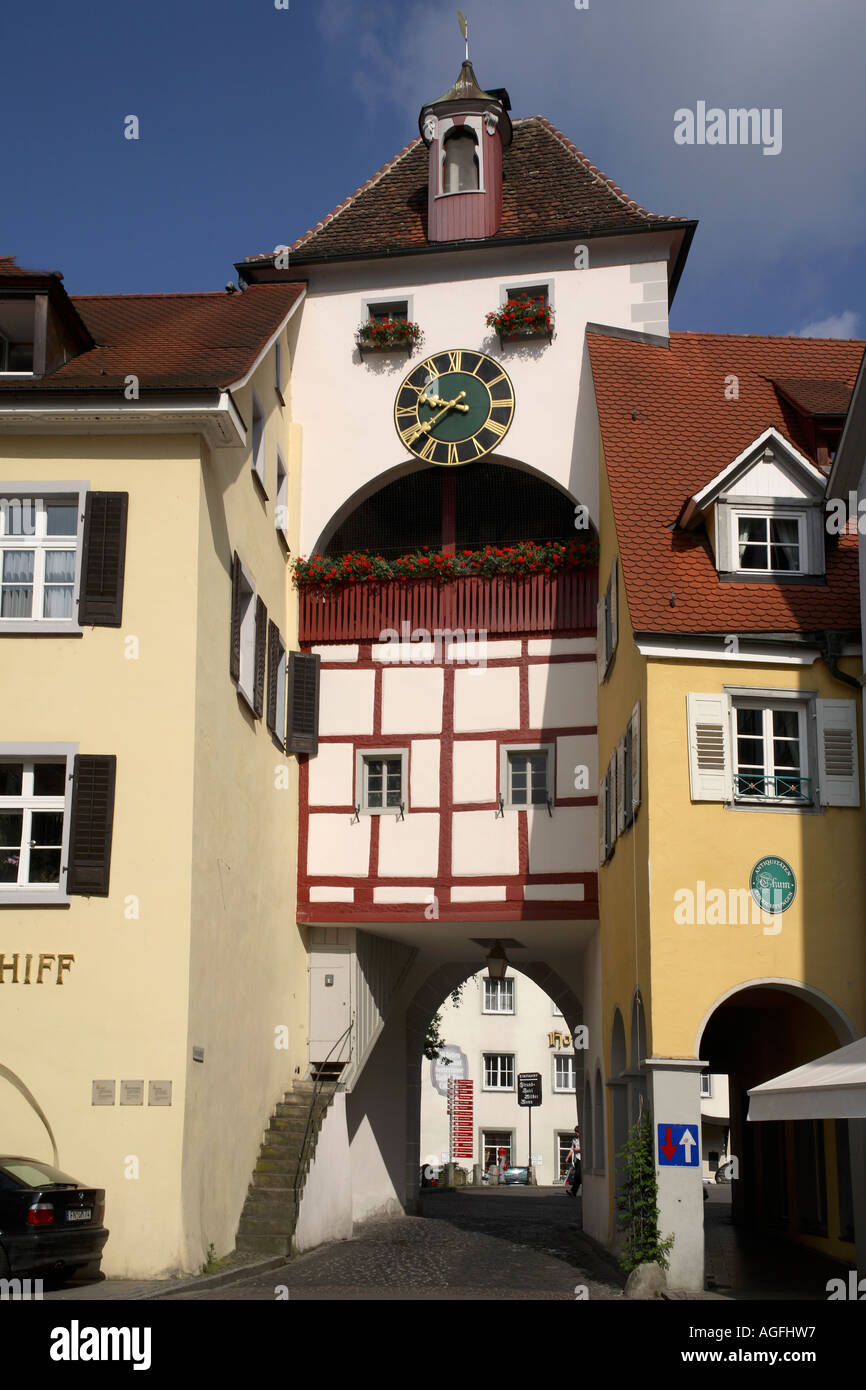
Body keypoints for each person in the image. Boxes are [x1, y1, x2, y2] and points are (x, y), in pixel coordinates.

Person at [565, 1126, 581, 1197]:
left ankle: (573, 1191)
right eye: (576, 1132)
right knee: (577, 1176)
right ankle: (573, 1192)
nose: (576, 1133)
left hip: (582, 1159)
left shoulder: (583, 1139)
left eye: (577, 1132)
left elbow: (585, 1147)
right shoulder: (574, 1140)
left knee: (577, 1176)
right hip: (577, 1159)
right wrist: (567, 1157)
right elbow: (572, 1149)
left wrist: (578, 1149)